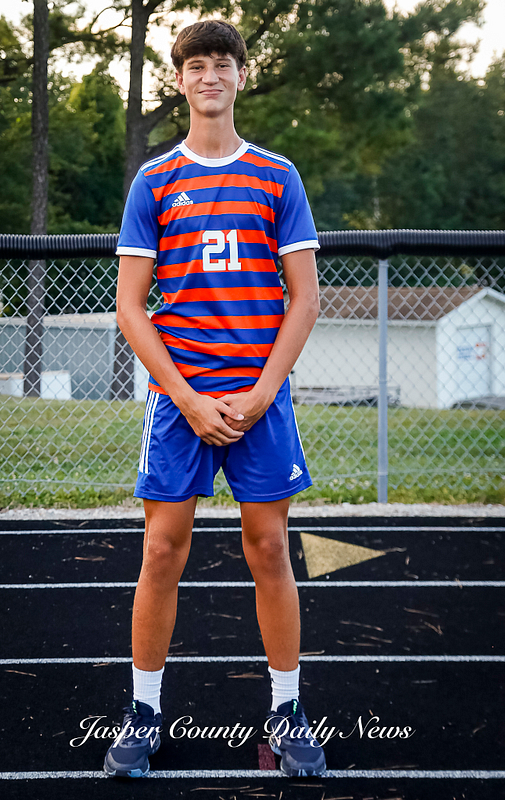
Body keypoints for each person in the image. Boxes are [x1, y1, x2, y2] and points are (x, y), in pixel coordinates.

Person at [104, 19, 326, 778]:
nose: (209, 76)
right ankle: (142, 713)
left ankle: (288, 712)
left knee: (269, 549)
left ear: (240, 76)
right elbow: (131, 307)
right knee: (161, 550)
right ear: (179, 81)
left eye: (222, 64)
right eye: (195, 65)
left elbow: (304, 300)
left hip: (259, 397)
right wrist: (189, 398)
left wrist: (261, 393)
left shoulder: (277, 177)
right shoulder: (155, 181)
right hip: (180, 401)